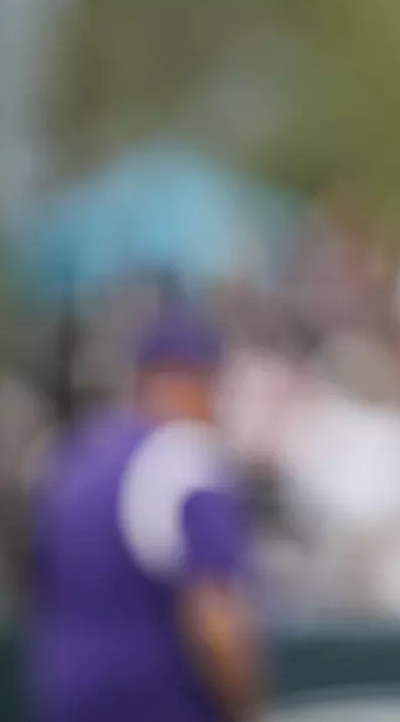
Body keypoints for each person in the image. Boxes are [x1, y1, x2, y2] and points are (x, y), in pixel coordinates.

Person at [27, 303, 262, 722]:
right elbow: (215, 618)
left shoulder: (76, 455)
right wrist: (247, 708)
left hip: (63, 697)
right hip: (156, 702)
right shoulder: (187, 457)